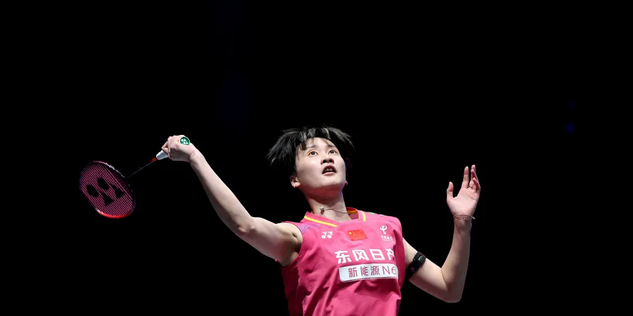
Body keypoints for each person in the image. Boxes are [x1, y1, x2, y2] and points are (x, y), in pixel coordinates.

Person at [161, 125, 480, 315]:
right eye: (312, 153)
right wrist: (195, 159)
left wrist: (462, 224)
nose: (327, 156)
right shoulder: (298, 237)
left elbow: (449, 289)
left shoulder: (386, 228)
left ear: (345, 172)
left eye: (332, 151)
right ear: (295, 180)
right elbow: (244, 225)